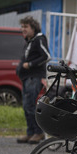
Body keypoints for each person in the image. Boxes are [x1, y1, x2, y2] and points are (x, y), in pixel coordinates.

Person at [16, 16, 50, 144]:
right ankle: (30, 132)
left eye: (26, 27)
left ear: (33, 27)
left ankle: (38, 132)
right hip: (26, 77)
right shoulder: (29, 41)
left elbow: (46, 56)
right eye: (22, 26)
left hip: (35, 77)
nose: (23, 29)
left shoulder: (39, 39)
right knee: (26, 105)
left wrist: (30, 64)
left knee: (30, 105)